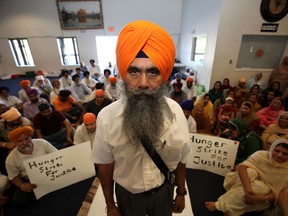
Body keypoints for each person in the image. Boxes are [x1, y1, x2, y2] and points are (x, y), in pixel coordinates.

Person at [91, 20, 191, 216]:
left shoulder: (176, 112)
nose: (143, 83)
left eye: (153, 72)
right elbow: (104, 165)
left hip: (164, 192)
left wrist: (180, 192)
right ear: (123, 74)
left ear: (164, 76)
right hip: (128, 196)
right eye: (134, 71)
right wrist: (111, 206)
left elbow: (182, 158)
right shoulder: (107, 117)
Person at [205, 139, 288, 216]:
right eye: (277, 151)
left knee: (260, 188)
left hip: (262, 197)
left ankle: (223, 206)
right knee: (250, 173)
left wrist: (260, 198)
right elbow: (242, 167)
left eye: (285, 154)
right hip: (241, 183)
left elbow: (278, 193)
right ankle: (230, 206)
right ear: (272, 148)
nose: (279, 155)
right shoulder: (261, 155)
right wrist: (248, 189)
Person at [5, 126, 57, 206]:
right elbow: (13, 177)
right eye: (20, 141)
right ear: (14, 143)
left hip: (53, 171)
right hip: (31, 180)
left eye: (27, 138)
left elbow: (57, 155)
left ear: (31, 136)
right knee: (17, 200)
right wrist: (23, 186)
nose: (25, 143)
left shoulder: (42, 142)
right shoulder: (11, 159)